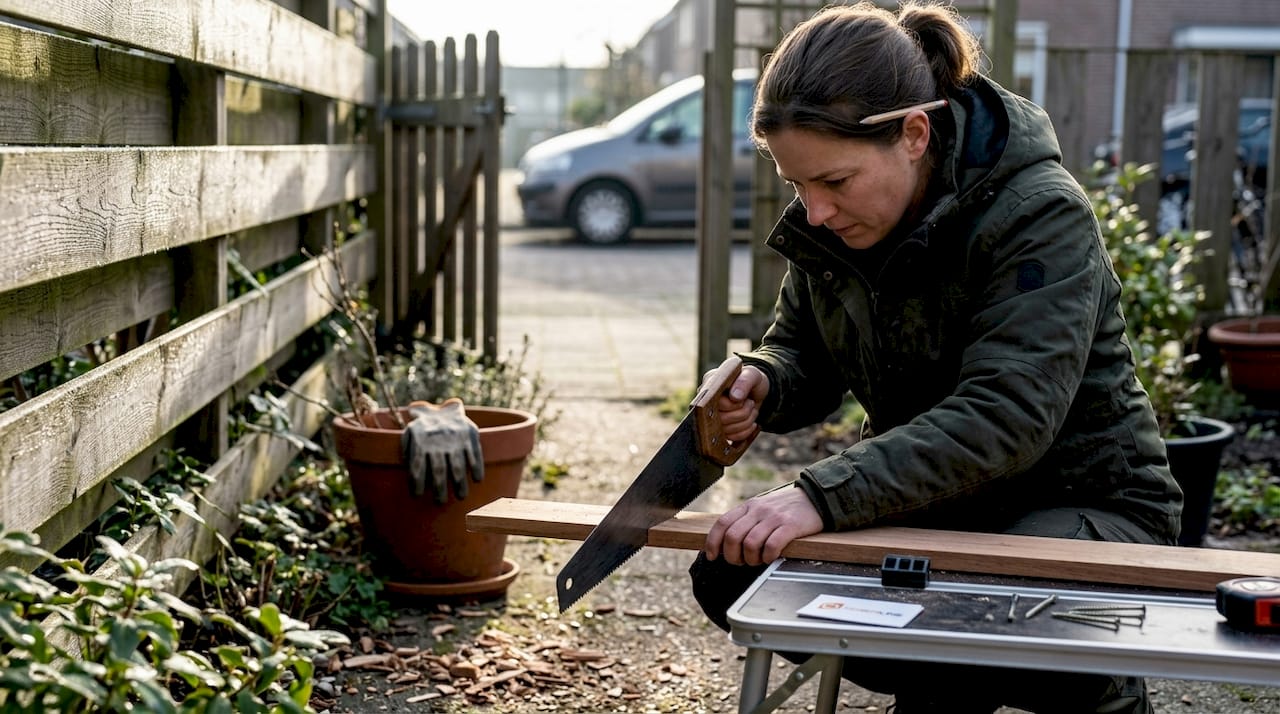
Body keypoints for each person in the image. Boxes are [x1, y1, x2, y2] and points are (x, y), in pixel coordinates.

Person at [688, 3, 1182, 713]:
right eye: (797, 185)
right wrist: (762, 380)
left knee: (962, 605)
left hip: (1089, 503)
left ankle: (1091, 692)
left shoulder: (1040, 214)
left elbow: (1006, 417)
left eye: (834, 182)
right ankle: (939, 678)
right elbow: (801, 348)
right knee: (731, 574)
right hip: (943, 505)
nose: (814, 211)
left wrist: (822, 495)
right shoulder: (839, 225)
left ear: (914, 134)